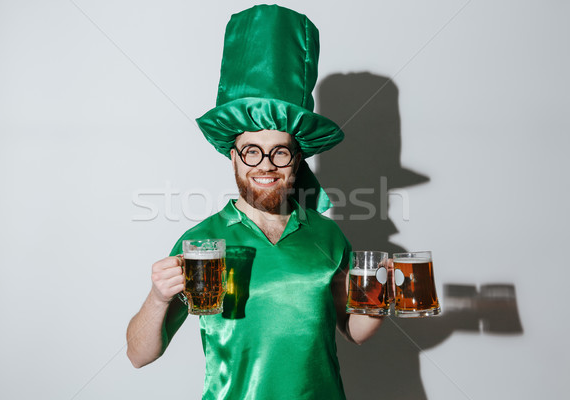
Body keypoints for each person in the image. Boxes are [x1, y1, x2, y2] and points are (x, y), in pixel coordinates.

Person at [126, 5, 383, 399]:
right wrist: (158, 297)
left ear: (297, 159)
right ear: (233, 157)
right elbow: (139, 355)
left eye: (280, 152)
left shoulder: (327, 236)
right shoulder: (202, 244)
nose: (265, 166)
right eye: (251, 152)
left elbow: (354, 331)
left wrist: (380, 292)